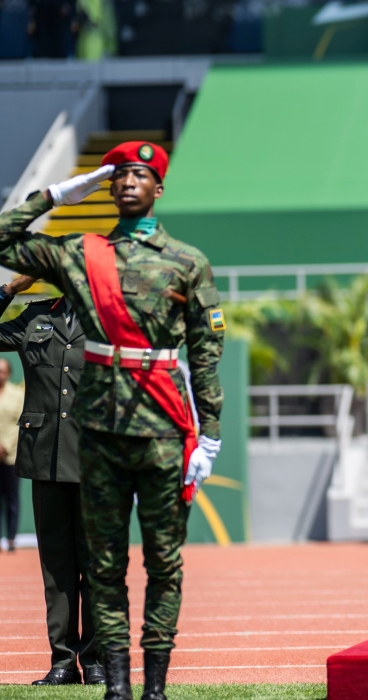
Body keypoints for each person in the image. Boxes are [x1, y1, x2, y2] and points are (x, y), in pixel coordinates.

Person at [0, 141, 225, 700]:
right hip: (85, 440)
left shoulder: (183, 261)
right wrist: (53, 196)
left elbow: (203, 354)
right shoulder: (79, 257)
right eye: (118, 173)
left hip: (147, 433)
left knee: (143, 561)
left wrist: (210, 433)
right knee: (83, 564)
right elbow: (6, 240)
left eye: (140, 174)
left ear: (158, 188)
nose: (128, 181)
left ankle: (136, 677)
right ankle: (98, 675)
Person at [0, 273, 104, 685]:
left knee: (96, 567)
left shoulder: (111, 320)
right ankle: (63, 661)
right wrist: (7, 291)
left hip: (97, 461)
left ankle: (94, 660)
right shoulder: (34, 317)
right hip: (45, 457)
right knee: (57, 568)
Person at [0, 356, 23, 553]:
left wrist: (5, 446)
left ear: (8, 374)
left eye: (2, 371)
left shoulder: (17, 394)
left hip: (10, 455)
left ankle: (11, 538)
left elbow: (20, 424)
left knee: (12, 498)